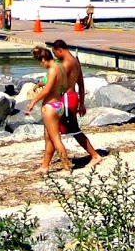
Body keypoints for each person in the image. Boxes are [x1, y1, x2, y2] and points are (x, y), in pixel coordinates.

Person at [50, 38, 103, 168]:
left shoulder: (66, 64)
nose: (55, 56)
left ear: (59, 50)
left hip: (67, 97)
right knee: (53, 129)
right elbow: (81, 84)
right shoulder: (76, 62)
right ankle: (47, 161)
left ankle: (95, 155)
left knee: (72, 129)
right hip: (73, 96)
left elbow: (58, 82)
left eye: (55, 53)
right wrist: (82, 103)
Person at [23, 45, 73, 175]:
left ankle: (66, 167)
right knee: (48, 137)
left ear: (44, 60)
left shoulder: (52, 70)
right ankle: (45, 166)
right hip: (59, 104)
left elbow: (47, 90)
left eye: (40, 62)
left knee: (55, 138)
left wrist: (33, 102)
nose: (41, 65)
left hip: (50, 107)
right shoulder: (61, 67)